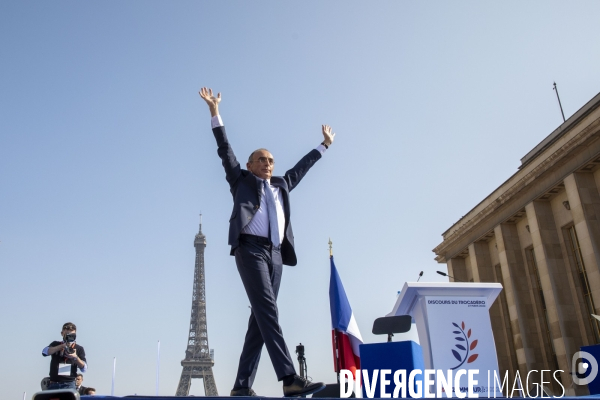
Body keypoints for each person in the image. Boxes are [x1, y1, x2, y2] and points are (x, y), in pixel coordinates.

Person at [199, 88, 335, 397]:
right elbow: (225, 149)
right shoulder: (240, 180)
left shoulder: (282, 184)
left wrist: (324, 146)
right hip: (250, 249)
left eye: (271, 160)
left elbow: (302, 167)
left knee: (259, 319)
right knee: (268, 310)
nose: (268, 164)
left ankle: (241, 386)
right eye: (261, 160)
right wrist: (214, 111)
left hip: (276, 255)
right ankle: (288, 377)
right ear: (250, 165)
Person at [42, 322, 87, 391]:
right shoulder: (56, 344)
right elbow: (45, 352)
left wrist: (76, 357)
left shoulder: (79, 348)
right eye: (67, 334)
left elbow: (84, 368)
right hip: (54, 384)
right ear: (62, 333)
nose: (70, 337)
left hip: (69, 384)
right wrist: (62, 346)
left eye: (72, 335)